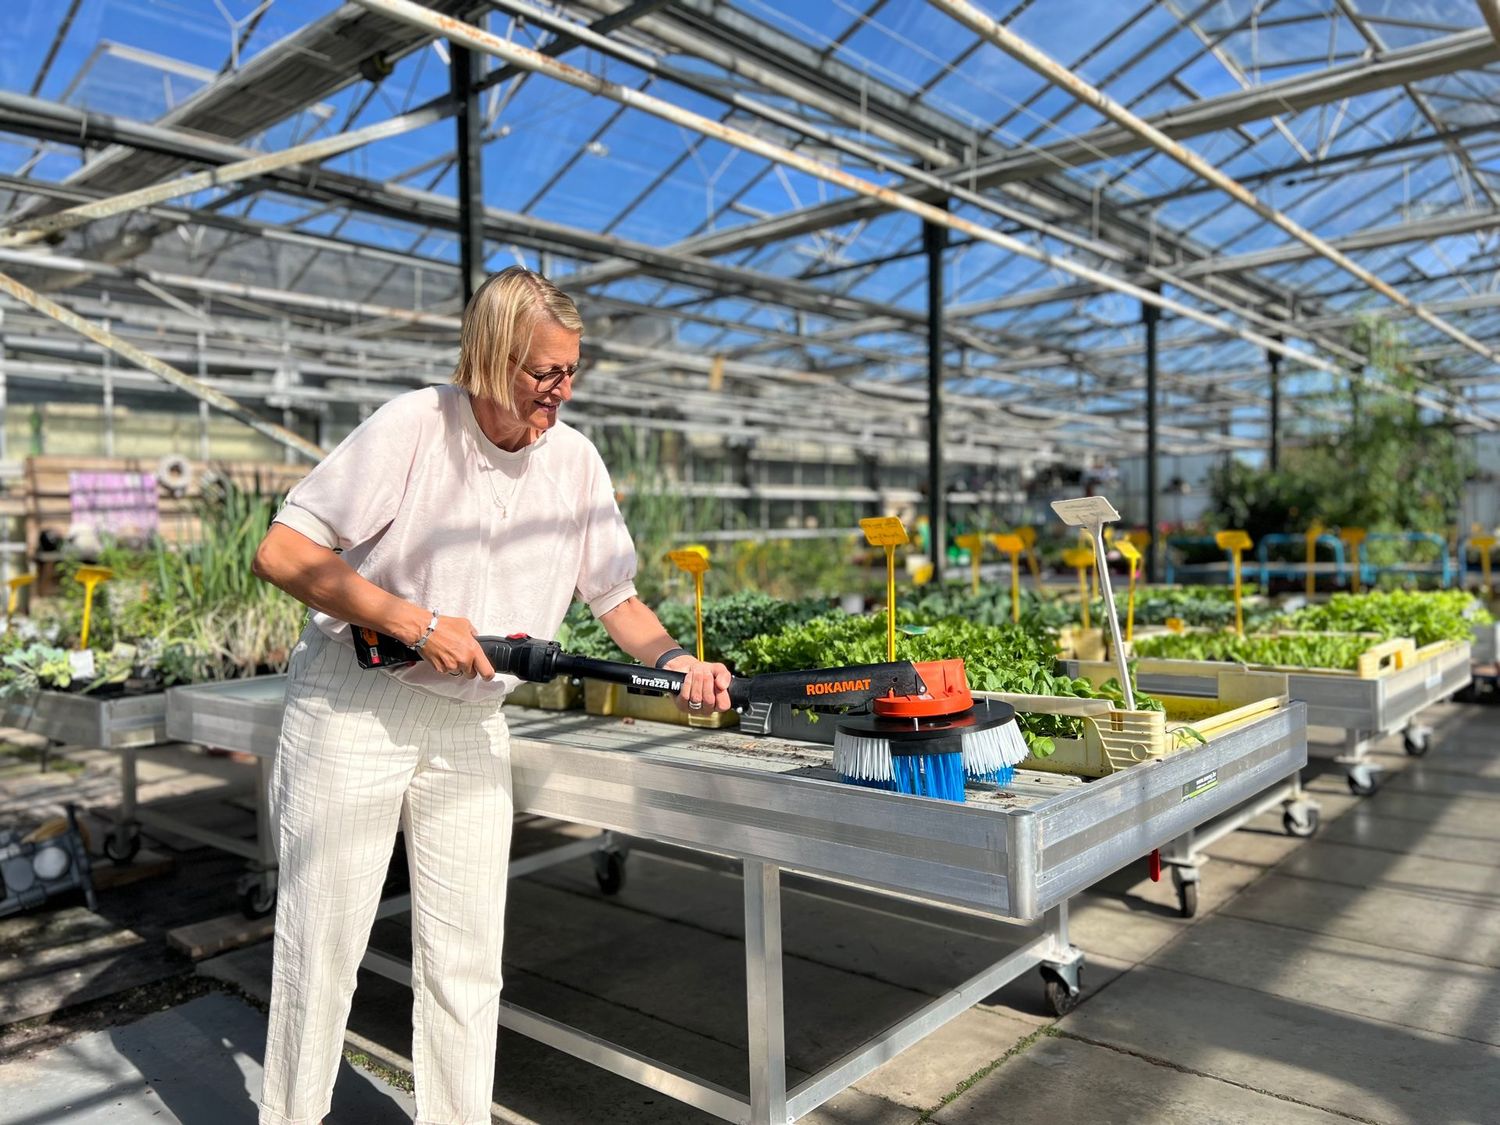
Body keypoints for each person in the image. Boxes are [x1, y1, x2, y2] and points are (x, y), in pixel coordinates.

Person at [251, 265, 732, 1125]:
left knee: (468, 959)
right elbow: (285, 553)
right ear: (490, 357)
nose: (560, 391)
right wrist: (412, 619)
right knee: (321, 946)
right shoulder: (416, 427)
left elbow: (617, 598)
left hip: (472, 723)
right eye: (544, 372)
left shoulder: (574, 462)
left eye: (572, 371)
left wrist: (677, 661)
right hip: (356, 707)